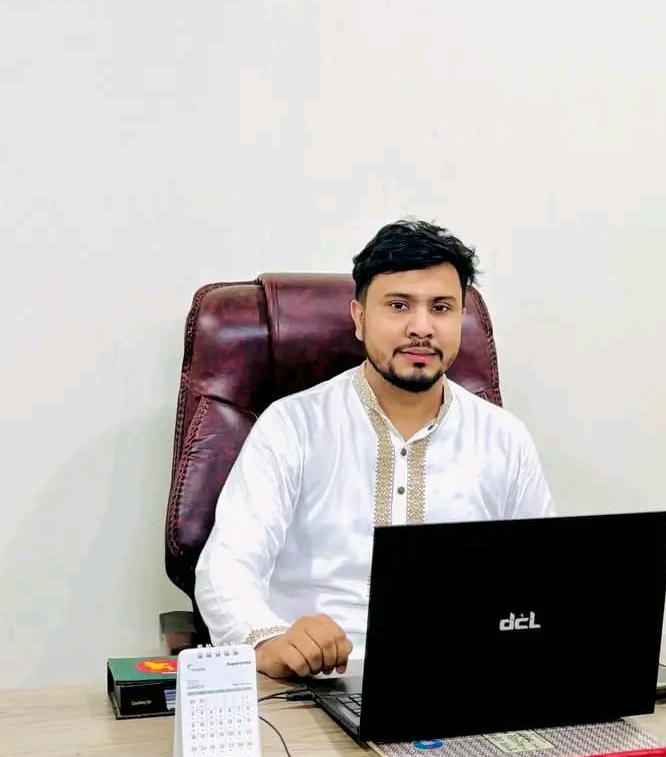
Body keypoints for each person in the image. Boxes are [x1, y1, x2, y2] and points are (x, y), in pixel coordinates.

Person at [195, 219, 554, 680]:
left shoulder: (504, 438)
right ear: (360, 318)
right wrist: (267, 640)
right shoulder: (293, 426)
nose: (421, 328)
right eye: (399, 305)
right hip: (317, 685)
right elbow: (226, 567)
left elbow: (539, 580)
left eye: (441, 308)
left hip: (462, 680)